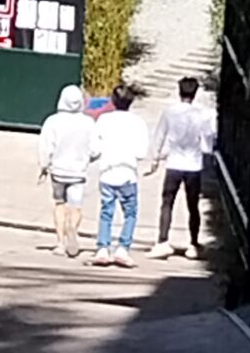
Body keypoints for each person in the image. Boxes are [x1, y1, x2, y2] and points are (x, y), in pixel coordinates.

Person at [148, 76, 215, 260]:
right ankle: (193, 243)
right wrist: (207, 154)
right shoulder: (202, 114)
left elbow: (159, 135)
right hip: (193, 164)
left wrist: (155, 157)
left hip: (174, 163)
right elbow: (207, 139)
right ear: (195, 93)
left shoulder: (170, 112)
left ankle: (162, 241)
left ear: (179, 91)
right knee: (193, 205)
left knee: (167, 202)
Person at [38, 84, 100, 258]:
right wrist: (87, 160)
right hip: (78, 171)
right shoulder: (88, 122)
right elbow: (96, 149)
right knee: (76, 206)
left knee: (59, 204)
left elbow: (46, 146)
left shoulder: (53, 121)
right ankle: (72, 227)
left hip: (58, 171)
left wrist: (44, 166)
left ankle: (60, 243)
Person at [93, 83, 149, 267]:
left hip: (107, 172)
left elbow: (95, 148)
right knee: (130, 213)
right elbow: (141, 153)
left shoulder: (103, 120)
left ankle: (103, 248)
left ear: (113, 100)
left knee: (106, 212)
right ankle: (123, 248)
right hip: (128, 173)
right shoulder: (138, 123)